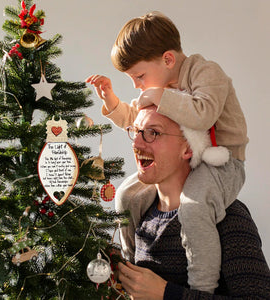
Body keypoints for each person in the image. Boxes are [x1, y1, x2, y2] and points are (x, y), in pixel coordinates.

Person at [86, 11, 248, 292]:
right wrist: (112, 102)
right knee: (126, 194)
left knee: (194, 208)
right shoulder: (161, 89)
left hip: (222, 163)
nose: (136, 85)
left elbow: (202, 114)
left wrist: (158, 96)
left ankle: (201, 288)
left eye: (139, 76)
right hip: (193, 159)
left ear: (168, 60)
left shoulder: (206, 73)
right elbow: (136, 117)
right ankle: (128, 269)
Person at [116, 105, 270, 299]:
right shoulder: (141, 211)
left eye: (153, 132)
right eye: (135, 131)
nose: (136, 143)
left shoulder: (228, 216)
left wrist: (166, 294)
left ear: (188, 147)